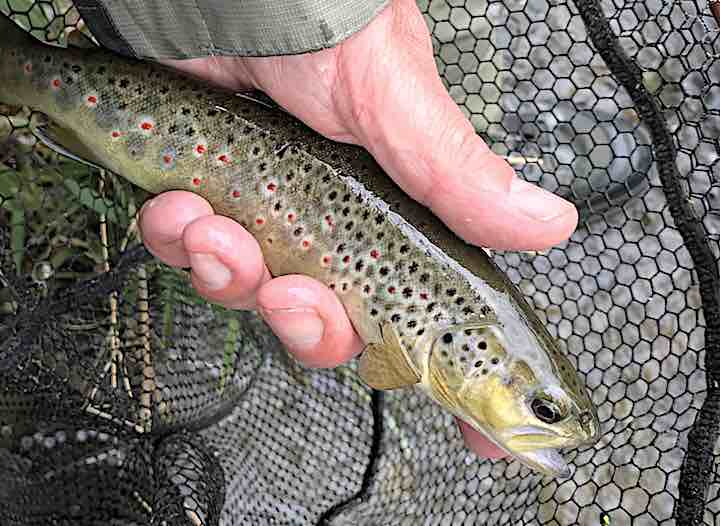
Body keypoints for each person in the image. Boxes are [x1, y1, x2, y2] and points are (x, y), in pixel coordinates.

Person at [74, 0, 578, 459]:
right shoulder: (434, 335)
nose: (546, 426)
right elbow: (380, 368)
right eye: (544, 411)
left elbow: (383, 366)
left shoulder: (422, 345)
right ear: (478, 346)